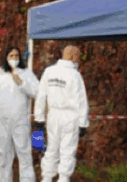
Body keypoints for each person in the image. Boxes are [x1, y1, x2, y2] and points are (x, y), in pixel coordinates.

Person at [33, 45, 88, 182]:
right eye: (78, 57)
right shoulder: (75, 75)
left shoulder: (49, 71)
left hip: (53, 115)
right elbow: (81, 101)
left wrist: (39, 117)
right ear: (72, 57)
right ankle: (63, 177)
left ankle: (46, 177)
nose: (78, 61)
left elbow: (41, 96)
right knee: (67, 149)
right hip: (70, 116)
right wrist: (83, 123)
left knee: (52, 148)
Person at [0, 46, 39, 182]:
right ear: (6, 57)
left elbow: (37, 92)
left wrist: (22, 83)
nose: (14, 58)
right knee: (3, 154)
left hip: (20, 120)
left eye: (16, 56)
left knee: (24, 153)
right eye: (11, 56)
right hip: (2, 120)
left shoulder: (26, 73)